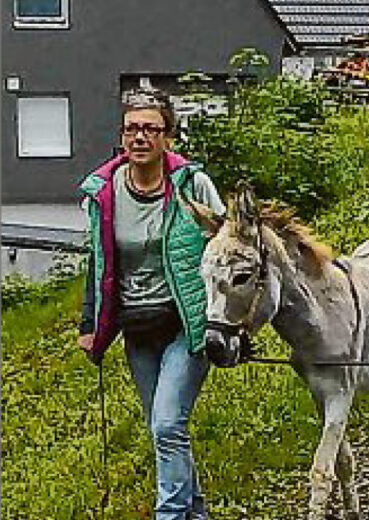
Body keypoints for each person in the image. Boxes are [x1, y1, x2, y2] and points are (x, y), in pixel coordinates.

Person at [77, 88, 225, 519]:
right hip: (136, 327)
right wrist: (90, 325)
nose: (140, 137)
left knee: (166, 424)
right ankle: (195, 513)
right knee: (165, 430)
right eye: (132, 129)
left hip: (185, 322)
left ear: (168, 137)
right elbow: (99, 262)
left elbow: (224, 244)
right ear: (122, 138)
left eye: (150, 129)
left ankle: (170, 515)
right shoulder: (103, 192)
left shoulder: (191, 184)